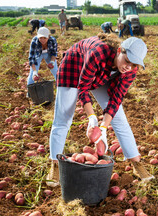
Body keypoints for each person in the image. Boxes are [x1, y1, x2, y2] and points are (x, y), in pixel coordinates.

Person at [47, 34, 147, 187]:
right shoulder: (98, 53)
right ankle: (54, 164)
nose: (129, 67)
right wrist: (92, 118)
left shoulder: (130, 70)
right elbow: (83, 88)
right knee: (64, 117)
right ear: (120, 50)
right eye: (127, 61)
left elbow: (116, 99)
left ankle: (136, 163)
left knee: (119, 117)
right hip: (74, 67)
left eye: (134, 65)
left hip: (102, 75)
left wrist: (103, 128)